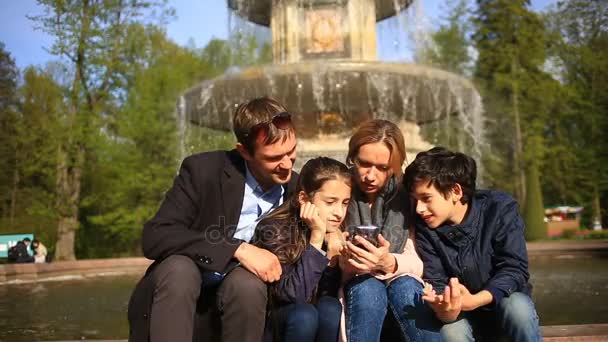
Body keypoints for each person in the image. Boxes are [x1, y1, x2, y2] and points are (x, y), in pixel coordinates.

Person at [128, 97, 299, 342]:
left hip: (242, 309)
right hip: (181, 304)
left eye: (291, 151)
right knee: (179, 269)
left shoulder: (297, 189)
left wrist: (332, 233)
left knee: (248, 285)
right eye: (273, 158)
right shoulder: (203, 170)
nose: (286, 165)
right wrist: (236, 248)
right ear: (244, 151)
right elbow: (156, 235)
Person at [403, 146, 541, 342]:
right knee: (451, 332)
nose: (419, 209)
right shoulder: (426, 227)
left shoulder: (499, 208)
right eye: (415, 200)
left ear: (455, 191)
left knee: (518, 307)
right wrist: (445, 309)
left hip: (502, 302)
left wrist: (475, 300)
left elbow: (514, 269)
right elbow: (437, 281)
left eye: (426, 198)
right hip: (461, 314)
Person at [341, 119, 440, 342]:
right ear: (352, 158)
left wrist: (390, 263)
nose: (370, 176)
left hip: (400, 276)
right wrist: (345, 262)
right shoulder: (338, 189)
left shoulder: (410, 196)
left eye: (383, 168)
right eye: (364, 163)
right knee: (368, 289)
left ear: (395, 165)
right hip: (354, 282)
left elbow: (421, 260)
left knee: (406, 286)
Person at [253, 157, 350, 342]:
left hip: (309, 314)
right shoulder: (273, 229)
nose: (339, 212)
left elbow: (324, 294)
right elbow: (293, 295)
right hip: (278, 320)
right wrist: (316, 239)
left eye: (345, 203)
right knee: (305, 315)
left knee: (330, 307)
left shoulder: (335, 230)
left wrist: (333, 258)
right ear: (304, 198)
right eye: (330, 202)